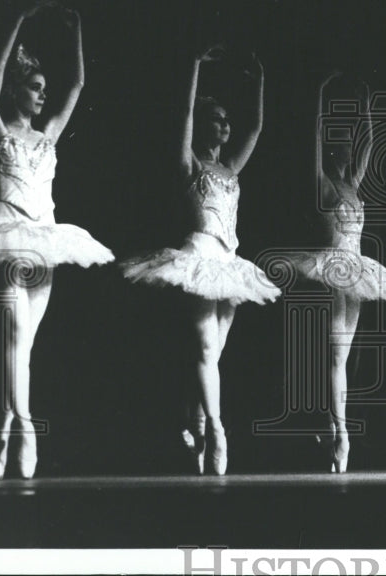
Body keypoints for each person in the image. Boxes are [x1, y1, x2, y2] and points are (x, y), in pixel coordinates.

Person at [0, 1, 114, 479]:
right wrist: (17, 22)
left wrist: (76, 32)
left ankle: (1, 426)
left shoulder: (49, 135)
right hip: (5, 237)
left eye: (43, 90)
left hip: (46, 238)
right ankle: (25, 425)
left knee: (21, 348)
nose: (42, 96)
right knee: (12, 335)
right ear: (15, 87)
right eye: (34, 87)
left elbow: (79, 86)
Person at [119, 45, 280, 475]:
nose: (225, 126)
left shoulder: (231, 168)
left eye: (227, 120)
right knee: (207, 350)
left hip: (231, 263)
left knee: (211, 354)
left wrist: (259, 81)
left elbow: (258, 127)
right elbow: (183, 116)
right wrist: (192, 66)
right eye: (217, 119)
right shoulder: (189, 164)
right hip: (198, 257)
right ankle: (218, 430)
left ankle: (193, 421)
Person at [287, 74, 386, 473]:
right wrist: (319, 93)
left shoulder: (352, 185)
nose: (345, 146)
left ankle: (334, 425)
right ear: (329, 147)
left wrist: (367, 108)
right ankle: (339, 432)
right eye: (338, 140)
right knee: (335, 356)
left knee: (343, 357)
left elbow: (369, 146)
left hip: (357, 268)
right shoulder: (321, 183)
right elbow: (311, 141)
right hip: (330, 265)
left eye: (347, 141)